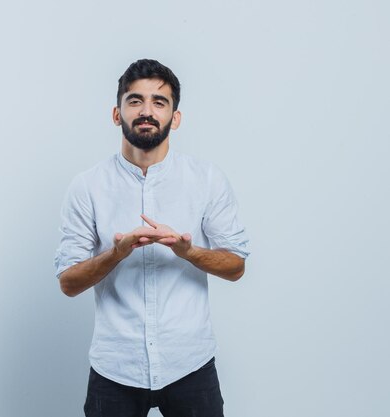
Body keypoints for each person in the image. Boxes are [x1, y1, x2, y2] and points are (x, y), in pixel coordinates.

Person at [54, 59, 250, 417]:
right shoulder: (87, 186)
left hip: (190, 362)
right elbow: (68, 282)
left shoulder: (206, 179)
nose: (147, 111)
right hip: (115, 367)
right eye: (135, 101)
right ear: (117, 114)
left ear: (175, 117)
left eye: (159, 102)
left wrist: (188, 252)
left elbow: (236, 266)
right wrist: (115, 254)